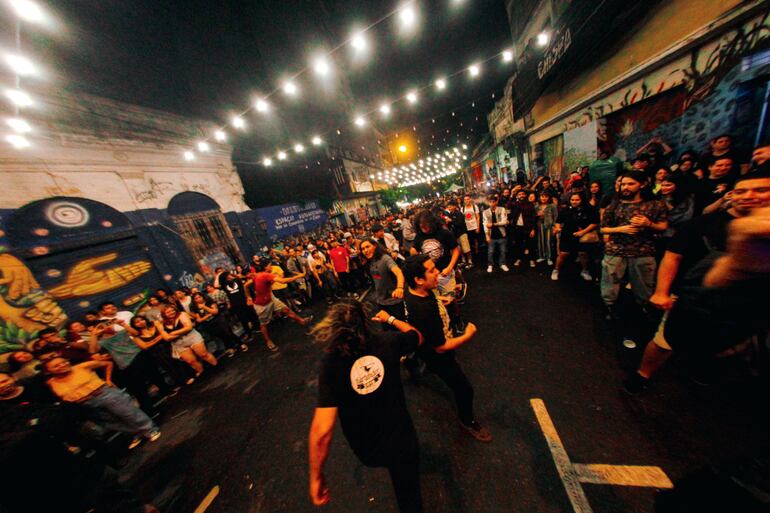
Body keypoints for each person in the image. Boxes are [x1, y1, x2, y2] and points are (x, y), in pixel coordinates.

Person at [623, 172, 770, 394]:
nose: (749, 196)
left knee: (721, 350)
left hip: (747, 311)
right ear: (731, 194)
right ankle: (642, 374)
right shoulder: (704, 223)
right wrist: (662, 291)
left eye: (761, 190)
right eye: (741, 191)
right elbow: (673, 256)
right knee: (664, 342)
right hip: (693, 300)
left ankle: (703, 367)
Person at [308, 300, 424, 512]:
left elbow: (322, 431)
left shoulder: (331, 364)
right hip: (402, 440)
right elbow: (417, 336)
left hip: (367, 448)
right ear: (364, 321)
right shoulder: (389, 342)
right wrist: (391, 319)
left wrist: (316, 476)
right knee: (410, 498)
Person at [403, 254, 491, 442]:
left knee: (420, 354)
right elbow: (441, 347)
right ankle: (467, 421)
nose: (438, 272)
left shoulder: (415, 290)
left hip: (426, 342)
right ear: (419, 280)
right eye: (431, 271)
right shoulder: (424, 310)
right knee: (464, 389)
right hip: (438, 355)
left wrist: (442, 300)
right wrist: (467, 334)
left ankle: (412, 362)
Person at [43, 357, 160, 449]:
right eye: (56, 366)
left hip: (103, 394)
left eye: (63, 362)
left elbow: (107, 364)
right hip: (86, 404)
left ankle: (150, 430)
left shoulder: (81, 367)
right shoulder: (51, 382)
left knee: (128, 413)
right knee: (110, 422)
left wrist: (108, 379)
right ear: (48, 371)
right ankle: (136, 433)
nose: (62, 365)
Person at [600, 171, 668, 320]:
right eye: (623, 184)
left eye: (630, 184)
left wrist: (648, 224)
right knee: (610, 283)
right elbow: (603, 228)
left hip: (643, 250)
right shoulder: (615, 204)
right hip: (616, 249)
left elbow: (663, 226)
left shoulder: (655, 204)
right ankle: (610, 308)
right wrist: (621, 229)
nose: (625, 187)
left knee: (644, 286)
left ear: (642, 184)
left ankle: (643, 312)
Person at [249, 259, 312, 351]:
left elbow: (246, 285)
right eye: (270, 265)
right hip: (262, 304)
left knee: (287, 310)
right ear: (265, 267)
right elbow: (283, 281)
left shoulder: (259, 274)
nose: (271, 267)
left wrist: (248, 296)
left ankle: (302, 321)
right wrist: (299, 276)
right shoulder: (265, 275)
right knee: (264, 324)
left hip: (271, 297)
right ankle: (268, 341)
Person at [158, 305, 217, 378]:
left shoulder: (182, 314)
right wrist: (182, 332)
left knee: (203, 355)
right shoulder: (161, 324)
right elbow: (166, 338)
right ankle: (204, 374)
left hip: (192, 337)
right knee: (191, 361)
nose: (172, 312)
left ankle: (217, 367)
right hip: (178, 344)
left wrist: (173, 333)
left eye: (173, 310)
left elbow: (189, 327)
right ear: (164, 314)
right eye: (168, 312)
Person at [551, 193, 600, 281]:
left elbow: (595, 223)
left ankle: (585, 270)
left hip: (583, 235)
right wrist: (558, 228)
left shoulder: (589, 209)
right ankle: (556, 270)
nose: (574, 202)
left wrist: (582, 232)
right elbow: (558, 221)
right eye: (572, 200)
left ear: (582, 200)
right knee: (563, 254)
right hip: (567, 235)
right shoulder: (565, 210)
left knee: (583, 254)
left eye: (577, 200)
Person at [361, 238, 406, 320]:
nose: (365, 250)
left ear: (375, 246)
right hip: (381, 301)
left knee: (398, 324)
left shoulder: (385, 258)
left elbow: (398, 272)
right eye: (363, 249)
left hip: (394, 301)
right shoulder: (369, 262)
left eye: (367, 247)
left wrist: (400, 288)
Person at [508, 189, 537, 268]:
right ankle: (519, 259)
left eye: (523, 194)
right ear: (517, 196)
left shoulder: (530, 204)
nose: (521, 195)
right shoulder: (515, 204)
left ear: (525, 195)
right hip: (517, 227)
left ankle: (531, 259)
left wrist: (533, 229)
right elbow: (508, 206)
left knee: (530, 244)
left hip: (528, 227)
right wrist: (512, 195)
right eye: (519, 194)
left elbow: (534, 217)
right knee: (518, 244)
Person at [482, 194, 509, 273]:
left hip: (501, 233)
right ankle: (490, 265)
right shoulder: (485, 212)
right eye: (490, 202)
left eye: (493, 201)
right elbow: (485, 224)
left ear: (497, 202)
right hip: (491, 235)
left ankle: (502, 264)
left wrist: (493, 224)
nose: (492, 203)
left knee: (503, 251)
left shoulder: (502, 209)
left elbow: (504, 222)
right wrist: (486, 235)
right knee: (490, 252)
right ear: (488, 202)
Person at [461, 195, 481, 261]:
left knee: (476, 240)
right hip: (467, 227)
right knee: (468, 240)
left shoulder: (474, 207)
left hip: (474, 226)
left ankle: (477, 252)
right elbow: (462, 218)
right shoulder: (462, 208)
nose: (467, 200)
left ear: (470, 199)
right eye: (465, 199)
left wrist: (478, 227)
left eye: (468, 199)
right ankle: (471, 253)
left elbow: (478, 217)